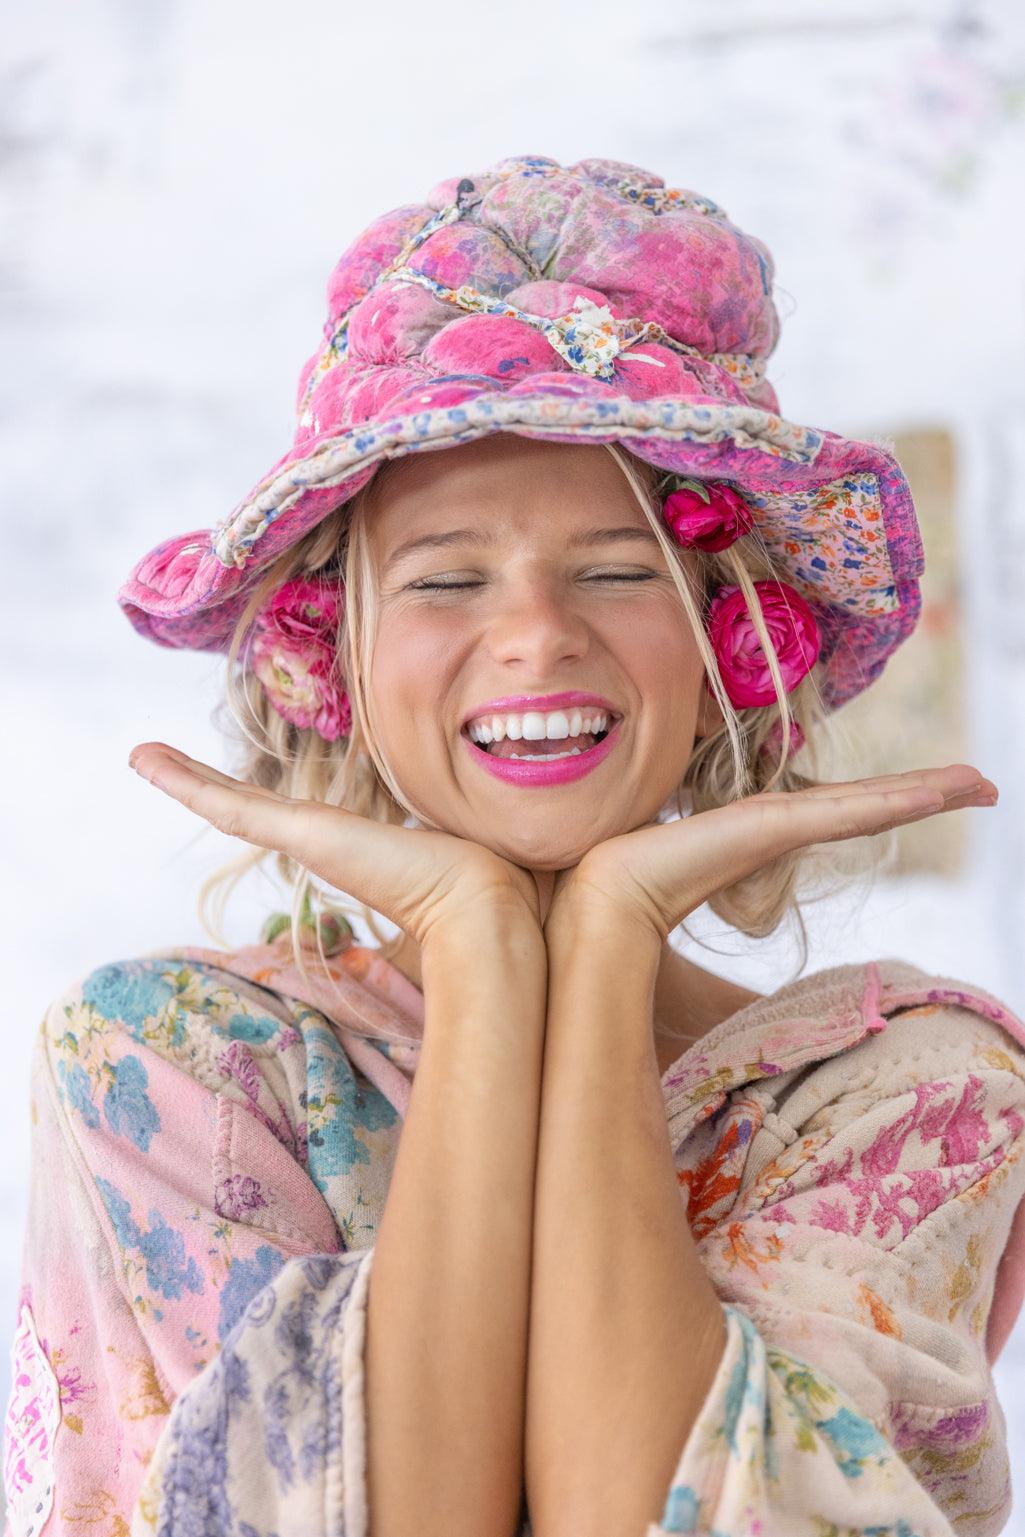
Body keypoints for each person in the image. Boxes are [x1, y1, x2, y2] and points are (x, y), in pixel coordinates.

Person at [5, 154, 1024, 1537]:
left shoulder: (916, 1097)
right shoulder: (168, 1064)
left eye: (616, 569)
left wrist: (601, 949)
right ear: (338, 651)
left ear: (727, 644)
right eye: (444, 576)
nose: (537, 633)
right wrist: (482, 951)